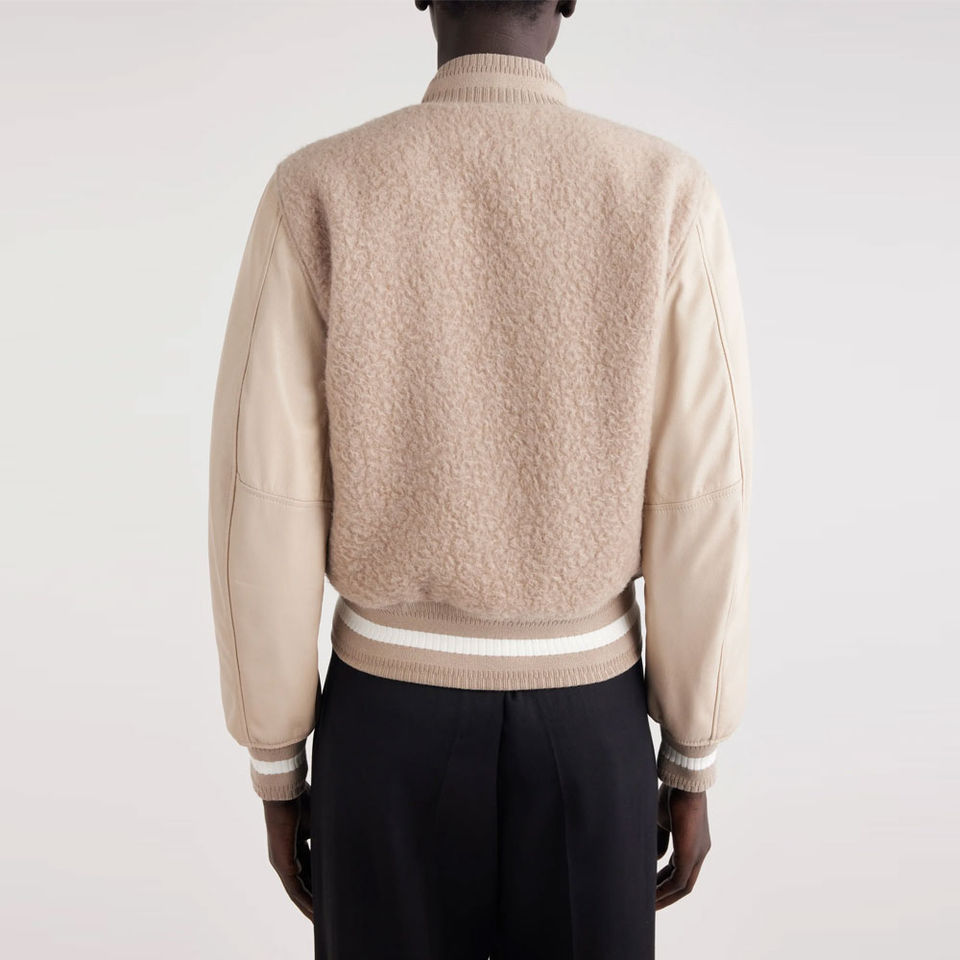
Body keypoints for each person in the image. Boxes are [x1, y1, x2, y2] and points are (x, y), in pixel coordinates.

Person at [207, 1, 753, 957]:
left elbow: (267, 496)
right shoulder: (665, 193)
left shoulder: (320, 189)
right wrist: (693, 752)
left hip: (386, 726)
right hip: (590, 724)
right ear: (569, 0)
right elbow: (702, 495)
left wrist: (277, 759)